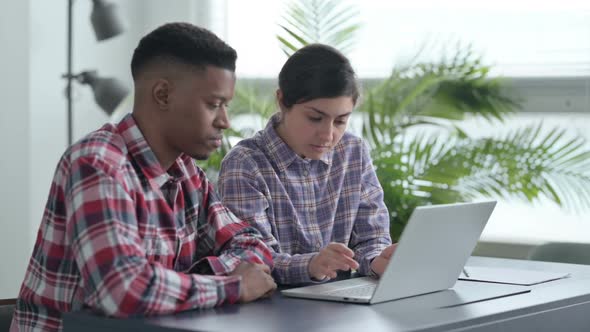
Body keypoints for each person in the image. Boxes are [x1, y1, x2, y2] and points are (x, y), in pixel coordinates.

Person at [11, 22, 276, 332]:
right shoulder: (97, 164)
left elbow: (253, 246)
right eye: (213, 104)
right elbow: (122, 290)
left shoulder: (187, 172)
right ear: (162, 94)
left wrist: (199, 278)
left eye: (226, 106)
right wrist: (232, 286)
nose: (225, 121)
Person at [218, 44, 395, 285]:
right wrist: (310, 265)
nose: (328, 135)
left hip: (342, 307)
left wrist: (377, 261)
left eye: (341, 121)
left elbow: (372, 238)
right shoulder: (245, 165)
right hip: (273, 311)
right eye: (315, 118)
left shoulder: (354, 152)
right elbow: (252, 262)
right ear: (282, 101)